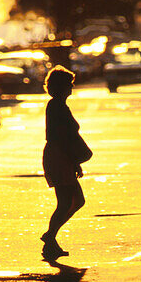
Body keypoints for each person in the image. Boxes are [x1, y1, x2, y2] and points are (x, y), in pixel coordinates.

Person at [40, 66, 90, 260]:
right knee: (65, 202)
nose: (72, 87)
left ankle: (50, 238)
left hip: (63, 157)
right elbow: (62, 137)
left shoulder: (59, 105)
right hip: (59, 157)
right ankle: (50, 238)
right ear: (61, 86)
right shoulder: (56, 106)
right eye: (69, 84)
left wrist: (76, 162)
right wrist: (74, 160)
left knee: (77, 201)